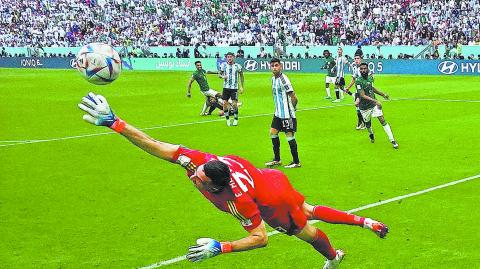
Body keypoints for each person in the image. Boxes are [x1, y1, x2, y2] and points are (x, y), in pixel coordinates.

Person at [77, 92, 390, 269]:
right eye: (195, 173)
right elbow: (157, 146)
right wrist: (115, 123)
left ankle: (335, 256)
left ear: (215, 186)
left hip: (270, 198)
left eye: (197, 180)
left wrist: (221, 247)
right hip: (270, 177)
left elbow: (260, 238)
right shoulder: (203, 162)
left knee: (304, 230)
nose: (193, 177)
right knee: (307, 208)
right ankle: (364, 222)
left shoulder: (237, 200)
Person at [265, 58, 300, 168]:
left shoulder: (284, 79)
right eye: (272, 66)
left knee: (289, 136)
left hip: (286, 114)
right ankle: (277, 159)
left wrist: (292, 109)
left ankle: (296, 162)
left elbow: (294, 97)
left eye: (276, 65)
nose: (274, 67)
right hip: (278, 113)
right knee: (273, 133)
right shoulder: (273, 79)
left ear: (281, 66)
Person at [356, 63, 399, 149]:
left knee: (382, 120)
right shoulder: (358, 81)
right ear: (359, 70)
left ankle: (392, 140)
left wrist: (383, 94)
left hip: (373, 105)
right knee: (368, 124)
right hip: (364, 107)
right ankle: (371, 134)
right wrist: (376, 100)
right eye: (361, 69)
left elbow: (372, 88)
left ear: (368, 69)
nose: (363, 70)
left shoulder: (370, 78)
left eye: (365, 68)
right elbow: (362, 95)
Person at [219, 52, 244, 126]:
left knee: (234, 104)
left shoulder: (238, 66)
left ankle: (236, 119)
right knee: (224, 104)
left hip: (234, 88)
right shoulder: (224, 66)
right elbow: (219, 74)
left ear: (234, 57)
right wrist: (223, 76)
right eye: (228, 57)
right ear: (226, 58)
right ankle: (227, 119)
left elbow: (242, 76)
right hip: (226, 88)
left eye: (231, 57)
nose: (229, 58)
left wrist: (242, 86)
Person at [345, 54, 366, 130]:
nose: (356, 60)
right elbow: (353, 79)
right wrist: (348, 88)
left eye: (358, 58)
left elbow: (371, 78)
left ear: (361, 59)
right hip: (358, 90)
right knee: (357, 106)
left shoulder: (364, 68)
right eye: (355, 58)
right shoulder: (356, 69)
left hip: (364, 91)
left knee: (359, 106)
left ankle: (362, 123)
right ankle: (362, 122)